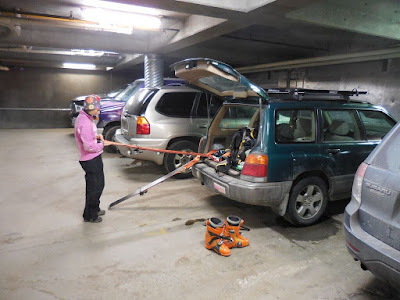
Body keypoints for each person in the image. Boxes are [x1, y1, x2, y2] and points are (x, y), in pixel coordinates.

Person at [74, 95, 111, 223]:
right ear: (90, 108)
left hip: (93, 157)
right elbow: (89, 146)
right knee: (95, 187)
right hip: (90, 159)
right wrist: (103, 144)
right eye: (97, 109)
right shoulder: (85, 122)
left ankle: (94, 208)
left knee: (98, 185)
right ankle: (90, 215)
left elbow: (89, 138)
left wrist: (97, 136)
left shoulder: (86, 117)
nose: (98, 111)